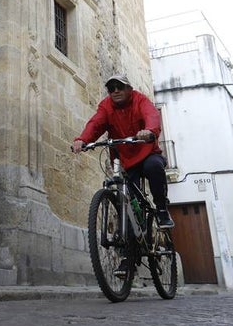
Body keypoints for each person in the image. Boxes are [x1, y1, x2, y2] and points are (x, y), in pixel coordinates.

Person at [72, 74, 174, 230]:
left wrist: (149, 130)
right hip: (126, 159)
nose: (115, 91)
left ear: (129, 89)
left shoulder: (140, 100)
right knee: (129, 196)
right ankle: (133, 233)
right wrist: (82, 140)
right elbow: (96, 123)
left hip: (148, 152)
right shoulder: (106, 106)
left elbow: (151, 114)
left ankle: (161, 209)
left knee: (153, 167)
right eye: (111, 88)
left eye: (119, 87)